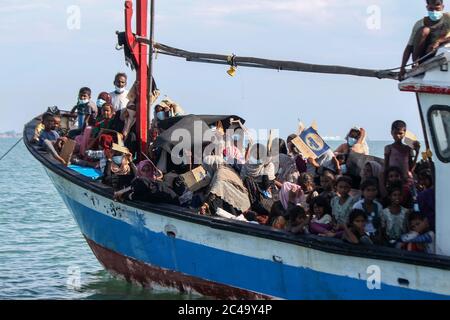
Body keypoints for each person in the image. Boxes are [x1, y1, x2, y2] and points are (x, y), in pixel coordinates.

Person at [400, 0, 450, 80]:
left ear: (442, 7)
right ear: (427, 7)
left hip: (442, 52)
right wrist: (402, 68)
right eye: (431, 8)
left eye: (437, 7)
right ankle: (416, 64)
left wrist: (439, 41)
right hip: (425, 55)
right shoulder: (419, 23)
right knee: (424, 30)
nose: (434, 11)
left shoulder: (448, 18)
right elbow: (409, 47)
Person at [352, 178, 384, 244]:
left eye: (373, 190)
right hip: (361, 234)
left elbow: (380, 224)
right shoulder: (357, 206)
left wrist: (379, 236)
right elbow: (354, 224)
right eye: (368, 190)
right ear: (363, 192)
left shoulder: (379, 206)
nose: (371, 193)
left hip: (375, 235)